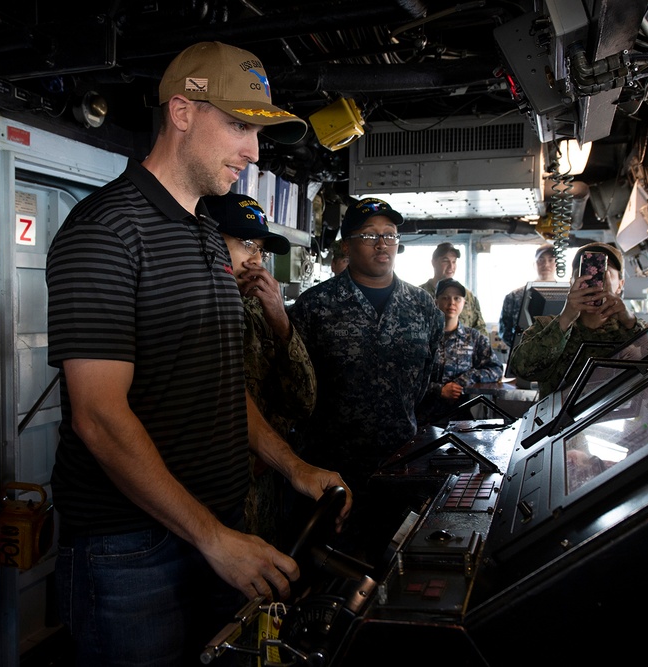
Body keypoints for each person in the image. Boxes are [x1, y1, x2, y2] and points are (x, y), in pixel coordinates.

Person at [45, 41, 350, 667]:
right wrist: (214, 539)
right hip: (130, 553)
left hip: (215, 530)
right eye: (239, 126)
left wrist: (294, 468)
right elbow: (98, 417)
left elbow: (219, 385)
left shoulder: (209, 238)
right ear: (181, 112)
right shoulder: (107, 230)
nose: (254, 151)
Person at [287, 197, 443, 556]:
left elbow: (427, 382)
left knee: (393, 566)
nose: (382, 244)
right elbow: (296, 390)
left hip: (399, 468)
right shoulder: (314, 307)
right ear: (346, 244)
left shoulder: (423, 308)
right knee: (329, 571)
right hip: (331, 473)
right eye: (369, 235)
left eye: (389, 235)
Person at [203, 190, 317, 545]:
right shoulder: (189, 302)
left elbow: (303, 401)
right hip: (206, 491)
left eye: (261, 250)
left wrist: (281, 321)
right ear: (208, 238)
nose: (257, 261)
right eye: (248, 244)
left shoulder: (260, 308)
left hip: (264, 484)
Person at [508, 242, 647, 399]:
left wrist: (629, 321)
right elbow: (522, 369)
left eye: (602, 275)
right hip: (560, 421)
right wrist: (565, 317)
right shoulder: (545, 326)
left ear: (620, 285)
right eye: (584, 275)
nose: (594, 283)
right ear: (571, 282)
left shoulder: (633, 329)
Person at [418, 278, 504, 425]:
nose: (451, 303)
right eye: (445, 298)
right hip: (422, 417)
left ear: (464, 303)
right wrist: (439, 390)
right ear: (436, 301)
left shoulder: (474, 338)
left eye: (457, 298)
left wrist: (464, 380)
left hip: (459, 417)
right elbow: (407, 376)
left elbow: (495, 369)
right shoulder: (420, 336)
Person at [498, 244, 562, 350]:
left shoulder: (568, 295)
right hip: (523, 356)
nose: (546, 264)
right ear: (534, 264)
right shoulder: (514, 296)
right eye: (541, 260)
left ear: (557, 264)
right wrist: (524, 351)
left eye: (551, 260)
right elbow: (505, 332)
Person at [418, 242, 487, 335]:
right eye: (445, 261)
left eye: (454, 261)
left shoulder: (467, 296)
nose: (451, 266)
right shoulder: (418, 295)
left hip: (463, 347)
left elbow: (480, 328)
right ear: (433, 262)